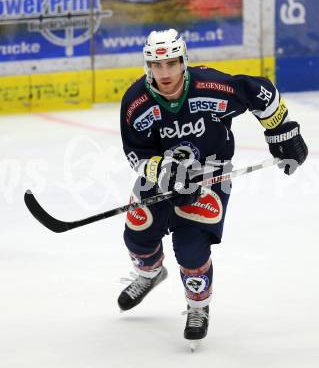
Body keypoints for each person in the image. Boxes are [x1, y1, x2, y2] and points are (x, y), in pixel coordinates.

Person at [118, 29, 308, 342]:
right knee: (137, 232)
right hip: (162, 173)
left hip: (211, 170)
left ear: (184, 61)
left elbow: (259, 91)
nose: (165, 73)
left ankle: (198, 306)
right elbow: (136, 153)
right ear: (147, 66)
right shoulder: (136, 102)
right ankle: (149, 273)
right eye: (157, 65)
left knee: (191, 247)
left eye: (172, 63)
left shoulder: (211, 86)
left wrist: (282, 130)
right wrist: (163, 171)